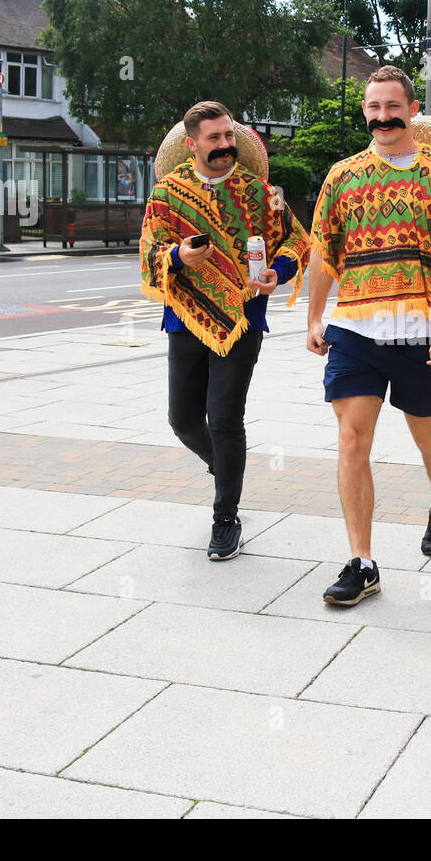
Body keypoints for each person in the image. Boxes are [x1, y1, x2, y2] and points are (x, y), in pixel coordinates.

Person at [306, 66, 431, 605]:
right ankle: (362, 562)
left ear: (411, 111)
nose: (382, 117)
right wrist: (314, 316)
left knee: (428, 437)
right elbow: (323, 252)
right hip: (354, 327)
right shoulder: (341, 175)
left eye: (392, 107)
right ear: (365, 112)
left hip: (418, 328)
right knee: (352, 440)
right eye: (373, 108)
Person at [140, 101, 310, 559]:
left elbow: (298, 239)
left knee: (225, 417)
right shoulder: (165, 195)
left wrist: (279, 270)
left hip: (243, 315)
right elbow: (149, 253)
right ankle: (223, 467)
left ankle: (225, 518)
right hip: (185, 315)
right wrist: (177, 258)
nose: (224, 146)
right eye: (214, 138)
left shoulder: (264, 192)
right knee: (183, 420)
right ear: (191, 144)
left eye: (229, 136)